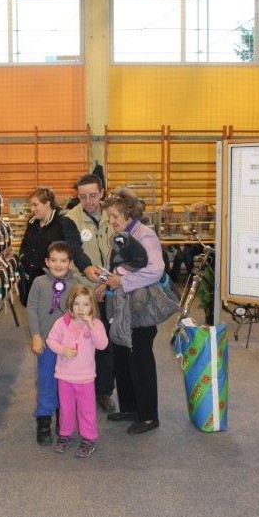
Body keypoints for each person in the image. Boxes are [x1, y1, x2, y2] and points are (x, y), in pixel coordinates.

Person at [100, 188, 165, 434]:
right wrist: (105, 282)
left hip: (140, 309)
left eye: (115, 216)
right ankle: (129, 408)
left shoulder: (145, 234)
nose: (111, 220)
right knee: (122, 358)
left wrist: (122, 282)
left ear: (128, 214)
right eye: (109, 216)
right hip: (120, 307)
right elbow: (118, 267)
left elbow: (156, 270)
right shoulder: (122, 235)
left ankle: (148, 417)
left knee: (140, 360)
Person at [61, 173, 116, 413]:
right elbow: (75, 249)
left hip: (112, 286)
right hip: (84, 289)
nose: (89, 201)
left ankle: (104, 391)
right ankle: (80, 387)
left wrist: (107, 282)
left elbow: (119, 248)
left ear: (102, 192)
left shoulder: (113, 214)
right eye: (82, 197)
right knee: (82, 341)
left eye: (93, 195)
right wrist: (88, 270)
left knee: (106, 343)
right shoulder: (70, 219)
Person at [46, 284, 108, 458]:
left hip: (85, 378)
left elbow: (102, 344)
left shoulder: (95, 324)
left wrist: (91, 325)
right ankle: (65, 434)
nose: (81, 309)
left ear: (92, 306)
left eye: (86, 304)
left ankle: (89, 438)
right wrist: (62, 350)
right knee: (66, 409)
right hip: (64, 376)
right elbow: (51, 340)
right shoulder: (61, 323)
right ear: (70, 305)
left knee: (86, 410)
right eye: (77, 304)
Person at [26, 241, 78, 446]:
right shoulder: (39, 282)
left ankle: (63, 420)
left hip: (68, 347)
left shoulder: (76, 284)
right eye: (54, 260)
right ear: (47, 262)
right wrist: (36, 335)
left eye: (63, 261)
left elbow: (82, 310)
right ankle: (44, 423)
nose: (58, 265)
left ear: (70, 263)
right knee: (47, 382)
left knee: (66, 384)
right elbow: (31, 309)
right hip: (46, 344)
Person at [17, 186, 65, 306]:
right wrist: (23, 258)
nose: (32, 209)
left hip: (51, 280)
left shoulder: (61, 222)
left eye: (35, 205)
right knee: (32, 309)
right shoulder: (32, 222)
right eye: (31, 205)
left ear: (47, 203)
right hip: (30, 277)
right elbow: (25, 243)